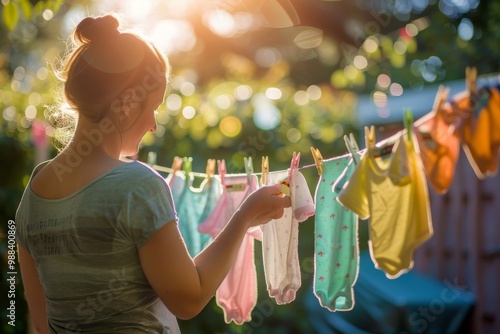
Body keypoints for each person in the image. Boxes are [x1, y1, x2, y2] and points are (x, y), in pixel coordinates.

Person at [15, 14, 291, 333]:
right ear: (128, 104)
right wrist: (244, 217)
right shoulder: (137, 186)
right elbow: (188, 298)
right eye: (153, 108)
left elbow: (40, 321)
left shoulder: (35, 190)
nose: (153, 125)